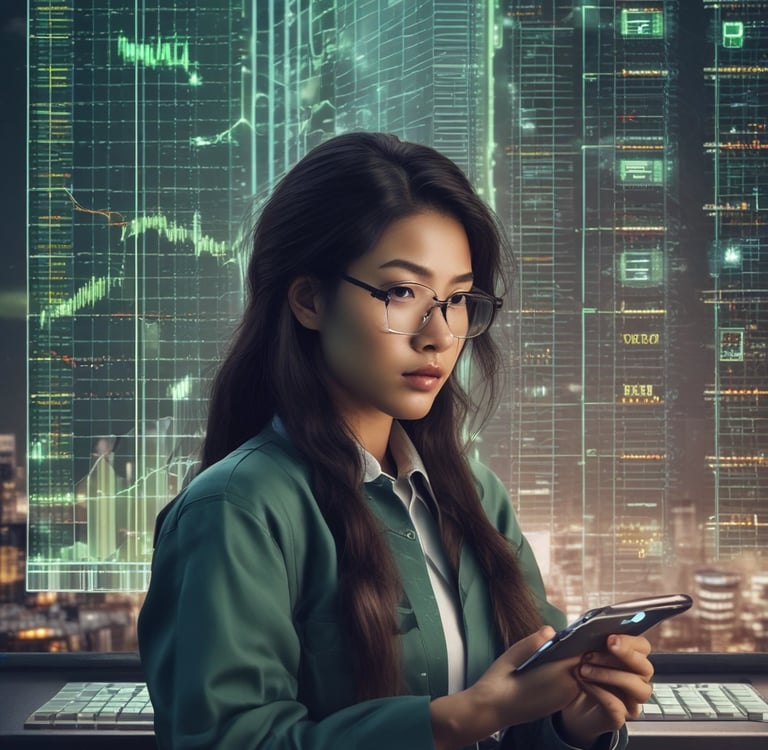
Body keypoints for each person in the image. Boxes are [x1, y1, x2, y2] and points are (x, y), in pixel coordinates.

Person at [137, 132, 654, 750]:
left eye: (457, 299)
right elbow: (227, 741)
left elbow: (519, 715)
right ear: (309, 299)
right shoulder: (236, 510)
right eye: (402, 292)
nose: (439, 334)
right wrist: (459, 719)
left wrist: (574, 721)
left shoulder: (475, 496)